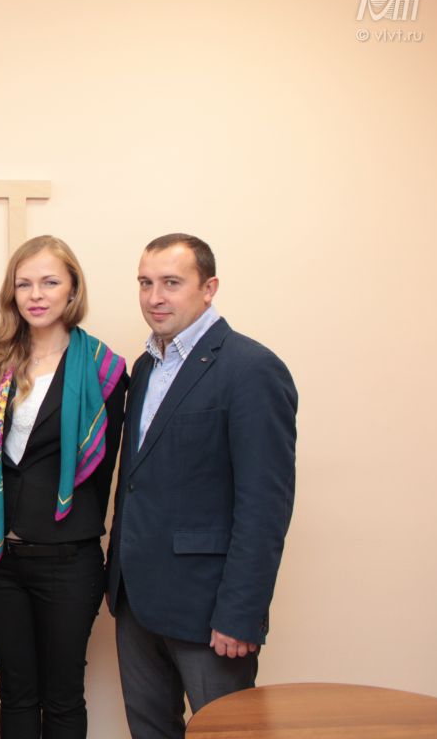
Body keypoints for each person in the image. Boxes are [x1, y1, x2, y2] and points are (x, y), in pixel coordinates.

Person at [106, 233, 298, 739]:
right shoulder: (145, 367)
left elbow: (265, 506)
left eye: (171, 283)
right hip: (137, 602)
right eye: (145, 283)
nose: (155, 297)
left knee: (226, 734)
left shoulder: (251, 369)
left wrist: (241, 613)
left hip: (210, 611)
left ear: (209, 288)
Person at [0, 236, 128, 738]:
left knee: (62, 697)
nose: (36, 295)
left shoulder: (104, 369)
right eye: (24, 284)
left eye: (49, 282)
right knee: (15, 693)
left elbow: (107, 471)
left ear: (72, 289)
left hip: (68, 557)